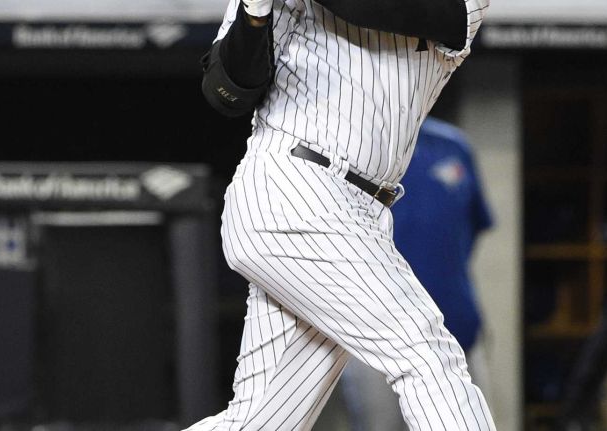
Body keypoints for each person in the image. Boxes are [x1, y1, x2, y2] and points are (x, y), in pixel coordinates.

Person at [187, 0, 495, 428]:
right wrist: (254, 15)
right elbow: (228, 92)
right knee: (427, 356)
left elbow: (390, 11)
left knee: (261, 422)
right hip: (293, 188)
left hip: (364, 209)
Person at [334, 116, 494, 431]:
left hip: (456, 329)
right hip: (373, 337)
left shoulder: (454, 146)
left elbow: (465, 237)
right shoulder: (344, 147)